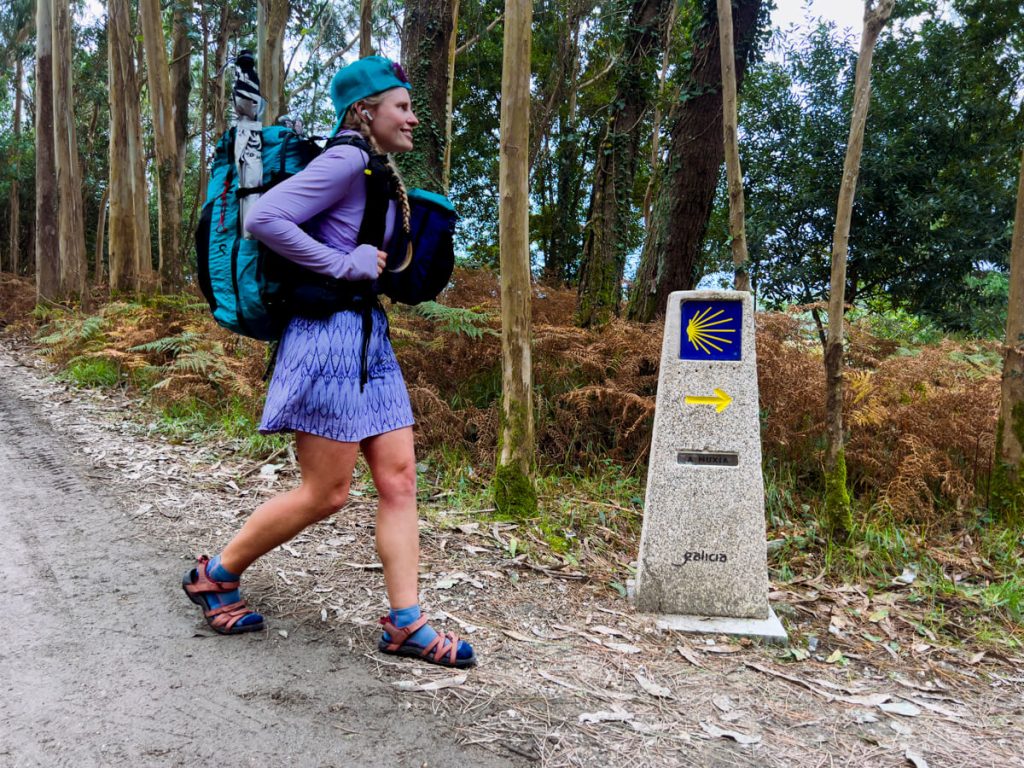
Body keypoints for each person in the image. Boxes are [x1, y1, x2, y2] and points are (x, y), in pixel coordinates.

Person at [182, 56, 475, 669]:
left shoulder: (374, 166)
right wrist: (343, 265)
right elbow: (264, 219)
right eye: (402, 106)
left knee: (398, 481)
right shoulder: (345, 159)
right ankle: (216, 573)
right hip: (326, 342)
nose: (413, 117)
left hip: (369, 340)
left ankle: (407, 624)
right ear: (364, 110)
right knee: (327, 492)